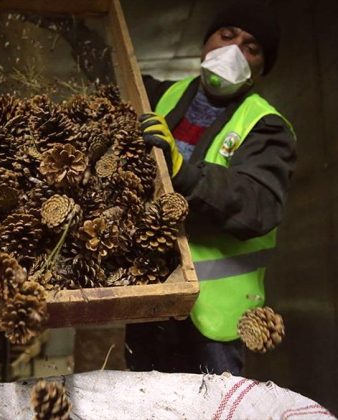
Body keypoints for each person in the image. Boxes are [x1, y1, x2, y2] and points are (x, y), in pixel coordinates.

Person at [125, 0, 297, 376]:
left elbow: (258, 203)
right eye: (227, 34)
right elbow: (108, 61)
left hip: (212, 320)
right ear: (206, 43)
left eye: (252, 48)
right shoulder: (160, 96)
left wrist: (183, 173)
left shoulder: (267, 127)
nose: (234, 50)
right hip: (153, 295)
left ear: (261, 67)